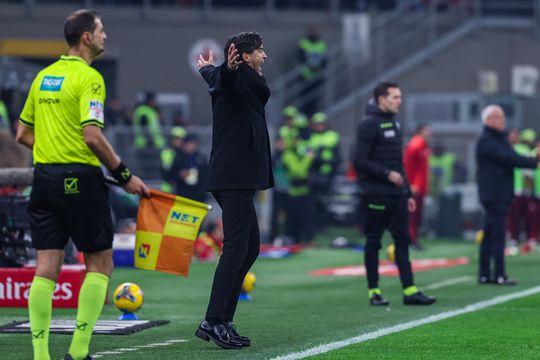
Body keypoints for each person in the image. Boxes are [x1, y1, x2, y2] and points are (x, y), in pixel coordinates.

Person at [15, 10, 149, 360]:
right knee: (99, 265)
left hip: (43, 179)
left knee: (46, 269)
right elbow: (92, 136)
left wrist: (54, 150)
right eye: (102, 30)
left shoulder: (44, 76)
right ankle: (77, 351)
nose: (106, 35)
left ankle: (40, 355)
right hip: (80, 178)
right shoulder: (90, 78)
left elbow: (22, 134)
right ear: (86, 37)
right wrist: (124, 175)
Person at [195, 32, 273, 349]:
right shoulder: (234, 78)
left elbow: (214, 76)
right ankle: (213, 321)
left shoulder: (238, 77)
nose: (264, 56)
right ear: (243, 56)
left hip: (239, 178)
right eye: (259, 51)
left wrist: (209, 69)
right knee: (236, 248)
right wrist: (226, 69)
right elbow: (223, 82)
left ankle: (222, 319)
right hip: (233, 178)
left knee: (250, 247)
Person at [353, 82, 436, 306]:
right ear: (382, 99)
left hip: (397, 195)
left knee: (403, 241)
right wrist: (386, 174)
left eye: (400, 96)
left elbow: (398, 163)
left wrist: (407, 192)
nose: (400, 100)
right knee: (374, 242)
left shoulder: (395, 124)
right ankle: (374, 291)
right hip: (376, 195)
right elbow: (359, 161)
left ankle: (410, 290)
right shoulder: (368, 125)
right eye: (395, 97)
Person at [476, 105, 539, 285]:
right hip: (494, 194)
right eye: (497, 117)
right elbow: (508, 158)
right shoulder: (488, 140)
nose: (501, 121)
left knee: (489, 234)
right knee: (497, 234)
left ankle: (485, 273)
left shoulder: (498, 140)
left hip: (498, 193)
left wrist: (532, 160)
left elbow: (511, 157)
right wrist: (534, 162)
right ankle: (499, 274)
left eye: (502, 117)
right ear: (487, 120)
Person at [403, 123, 431, 249]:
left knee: (416, 216)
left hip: (420, 187)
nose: (429, 134)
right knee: (413, 215)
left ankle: (413, 239)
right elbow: (408, 166)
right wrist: (411, 184)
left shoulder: (422, 146)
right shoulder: (416, 145)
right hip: (415, 187)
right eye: (426, 131)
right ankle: (410, 239)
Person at [297, 26, 327, 116]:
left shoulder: (322, 44)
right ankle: (304, 114)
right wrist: (311, 67)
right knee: (305, 97)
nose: (313, 33)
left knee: (315, 98)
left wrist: (317, 68)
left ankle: (313, 114)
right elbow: (301, 58)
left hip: (317, 76)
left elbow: (325, 60)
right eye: (312, 32)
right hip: (305, 76)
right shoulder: (303, 43)